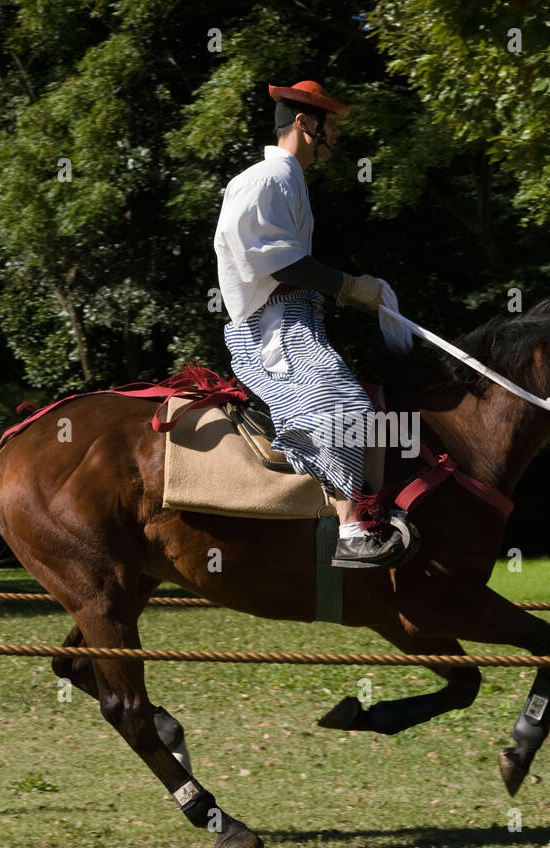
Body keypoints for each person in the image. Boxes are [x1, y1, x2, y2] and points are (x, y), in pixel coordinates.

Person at [214, 80, 414, 569]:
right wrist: (349, 285)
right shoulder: (268, 178)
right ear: (305, 123)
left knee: (369, 397)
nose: (338, 134)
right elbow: (280, 265)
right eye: (333, 124)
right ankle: (350, 532)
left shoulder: (289, 179)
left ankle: (375, 509)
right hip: (270, 326)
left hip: (296, 316)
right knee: (340, 400)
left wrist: (351, 292)